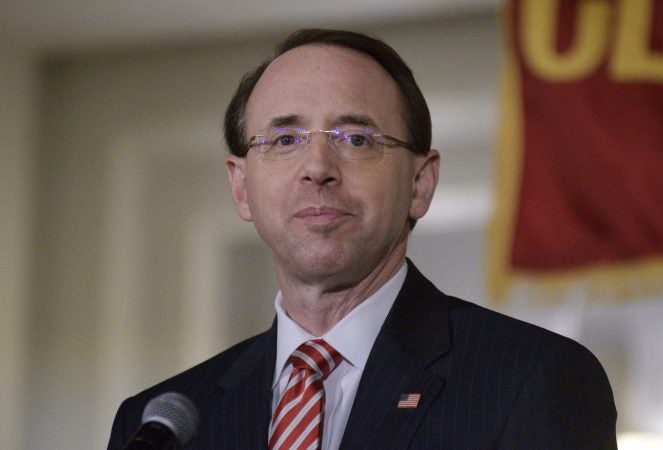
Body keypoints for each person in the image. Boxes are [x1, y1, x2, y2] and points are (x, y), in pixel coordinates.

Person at [108, 29, 617, 449]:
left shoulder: (534, 379)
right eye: (285, 139)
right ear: (241, 187)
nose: (317, 169)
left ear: (421, 184)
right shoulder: (160, 425)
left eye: (356, 139)